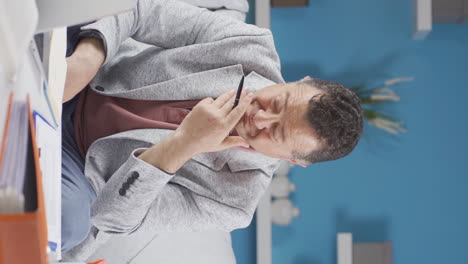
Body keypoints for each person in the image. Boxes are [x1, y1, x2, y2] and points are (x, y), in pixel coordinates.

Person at [61, 0, 363, 261]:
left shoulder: (233, 201)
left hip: (78, 164)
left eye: (277, 134)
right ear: (300, 81)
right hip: (90, 70)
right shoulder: (249, 46)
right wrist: (87, 59)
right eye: (278, 103)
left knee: (69, 223)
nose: (259, 119)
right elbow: (141, 10)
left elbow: (112, 218)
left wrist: (184, 144)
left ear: (295, 161)